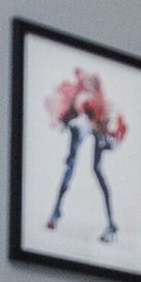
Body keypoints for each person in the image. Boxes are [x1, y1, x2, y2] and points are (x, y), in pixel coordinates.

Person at [42, 66, 126, 240]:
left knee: (95, 169)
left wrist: (105, 135)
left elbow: (111, 130)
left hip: (97, 123)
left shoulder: (101, 110)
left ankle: (110, 224)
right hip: (84, 121)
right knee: (71, 166)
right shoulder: (76, 105)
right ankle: (55, 212)